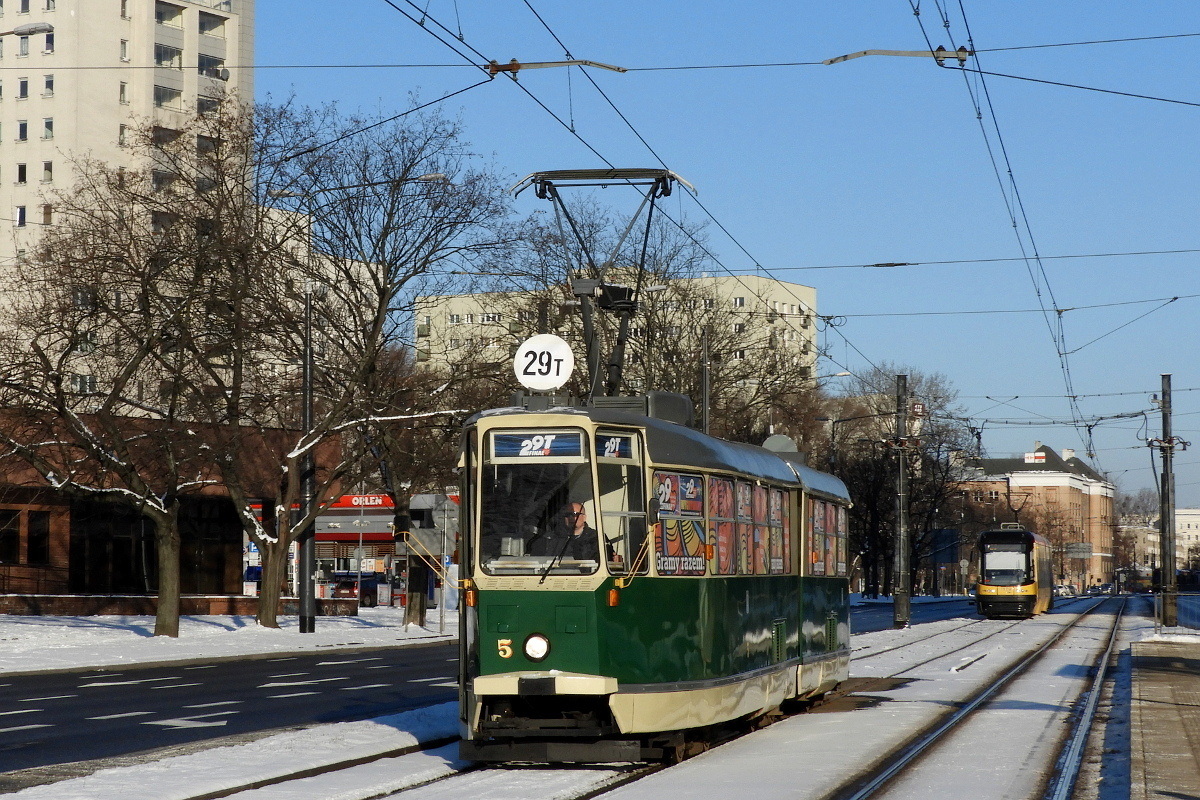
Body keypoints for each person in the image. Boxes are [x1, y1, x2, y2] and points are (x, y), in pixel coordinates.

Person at [529, 502, 601, 561]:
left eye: (575, 514)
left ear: (584, 517)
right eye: (567, 515)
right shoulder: (553, 539)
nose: (571, 517)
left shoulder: (597, 538)